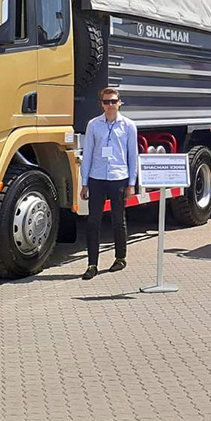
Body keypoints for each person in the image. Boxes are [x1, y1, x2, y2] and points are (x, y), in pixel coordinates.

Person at [79, 87, 139, 281]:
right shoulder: (93, 125)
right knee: (93, 221)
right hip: (97, 178)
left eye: (113, 101)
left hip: (118, 178)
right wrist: (85, 183)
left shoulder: (128, 126)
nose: (110, 105)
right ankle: (92, 264)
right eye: (106, 102)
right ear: (101, 104)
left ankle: (120, 258)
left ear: (119, 103)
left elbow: (133, 155)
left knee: (118, 220)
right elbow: (87, 154)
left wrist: (131, 184)